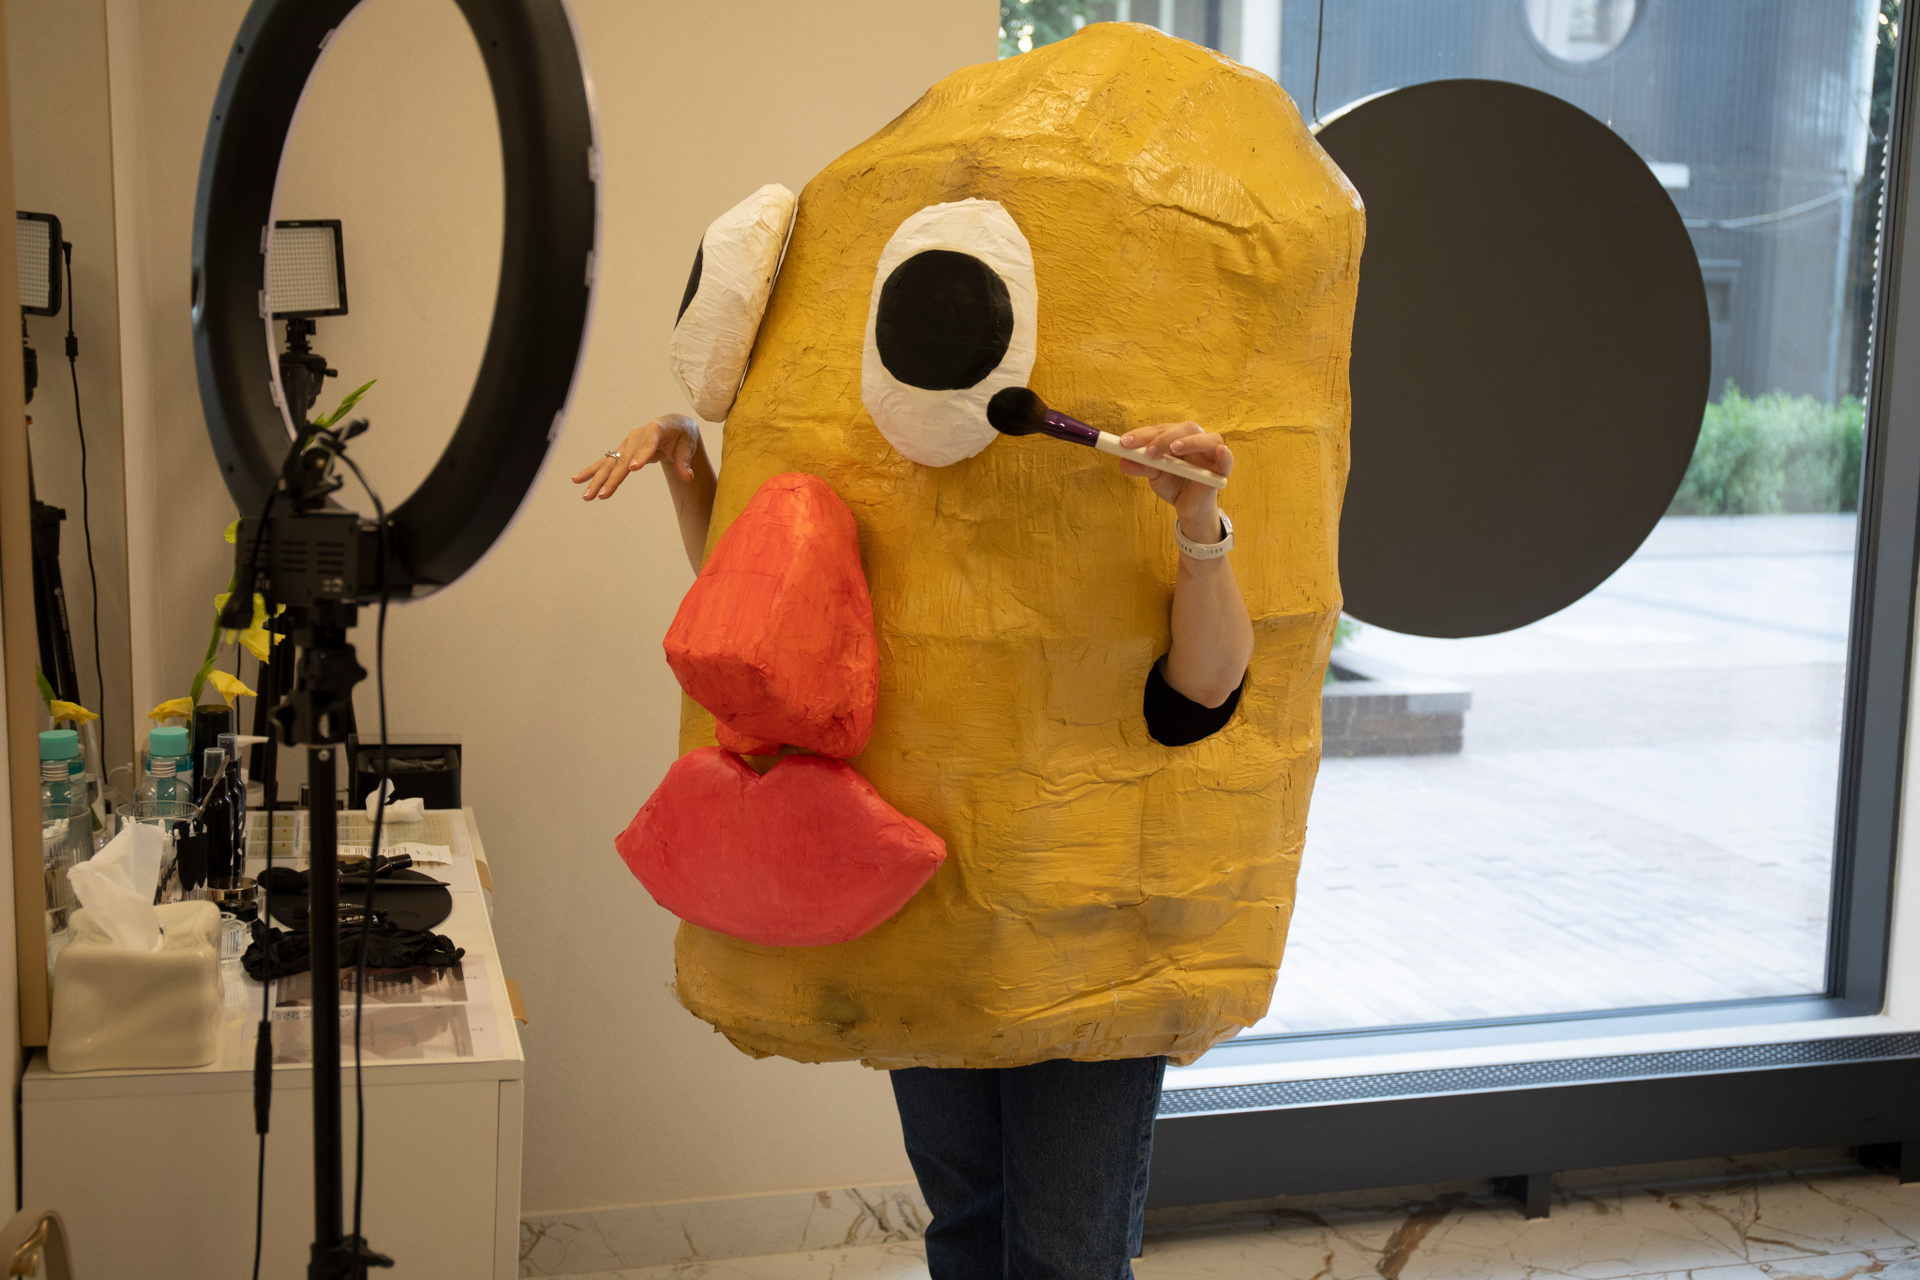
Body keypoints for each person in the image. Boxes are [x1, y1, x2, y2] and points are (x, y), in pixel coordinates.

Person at [576, 413, 1252, 1277]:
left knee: (1064, 1252)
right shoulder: (906, 500)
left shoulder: (1095, 532)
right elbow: (779, 620)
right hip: (932, 930)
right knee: (965, 1224)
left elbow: (1204, 691)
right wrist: (692, 469)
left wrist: (1198, 521)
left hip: (1085, 941)